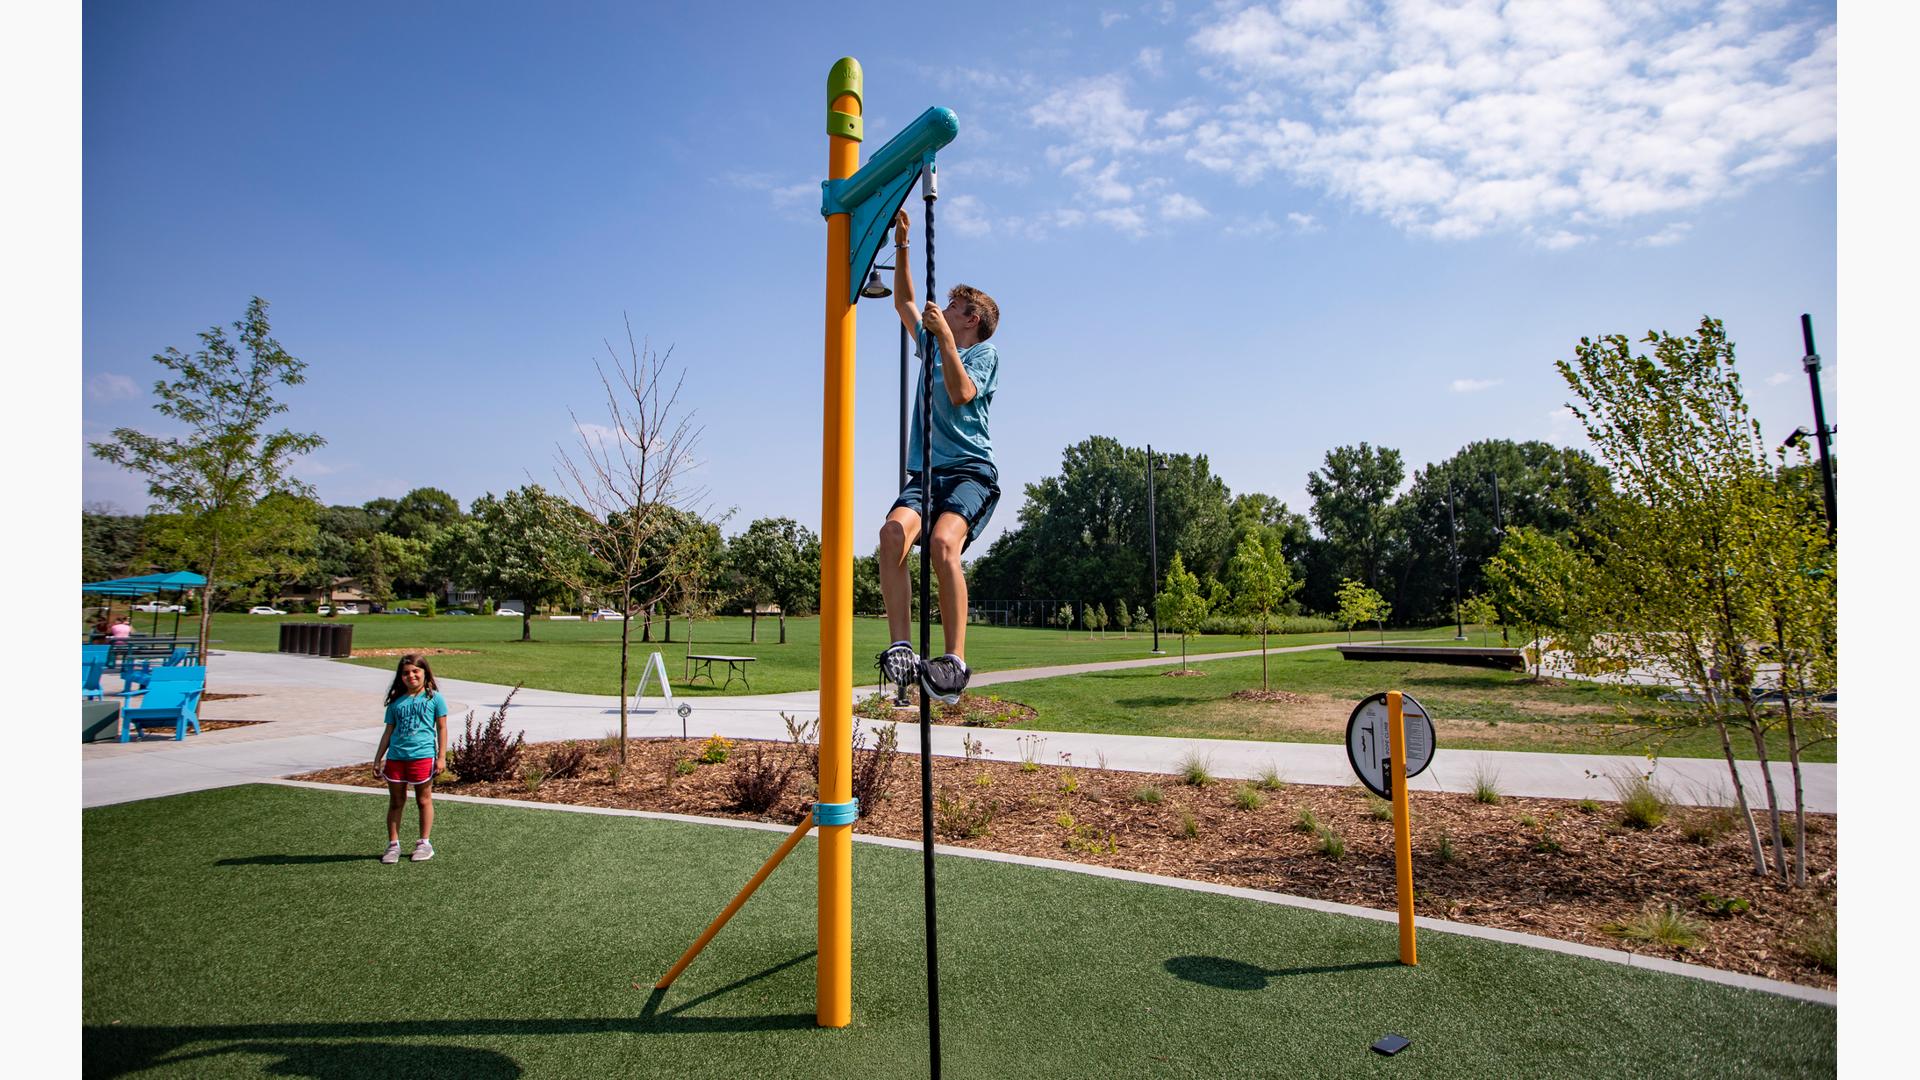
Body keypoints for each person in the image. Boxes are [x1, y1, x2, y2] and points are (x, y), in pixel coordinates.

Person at [876, 208, 1002, 705]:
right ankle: (902, 648)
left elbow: (960, 393)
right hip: (927, 474)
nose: (941, 309)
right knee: (892, 536)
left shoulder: (982, 355)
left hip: (971, 472)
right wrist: (904, 243)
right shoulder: (933, 344)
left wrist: (945, 340)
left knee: (944, 545)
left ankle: (953, 660)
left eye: (952, 306)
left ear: (971, 318)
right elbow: (904, 301)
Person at [372, 654, 449, 863]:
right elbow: (388, 732)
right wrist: (378, 758)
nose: (411, 676)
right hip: (396, 758)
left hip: (423, 757)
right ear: (401, 677)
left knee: (423, 800)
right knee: (396, 801)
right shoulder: (396, 702)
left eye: (416, 671)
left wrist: (441, 757)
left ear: (425, 673)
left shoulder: (435, 698)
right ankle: (393, 845)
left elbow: (442, 728)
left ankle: (424, 843)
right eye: (406, 673)